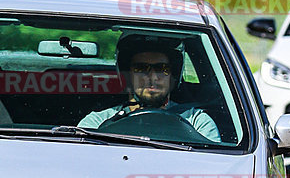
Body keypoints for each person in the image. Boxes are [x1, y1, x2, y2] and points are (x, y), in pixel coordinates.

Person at [78, 34, 221, 143]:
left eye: (162, 69)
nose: (152, 77)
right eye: (141, 68)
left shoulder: (198, 123)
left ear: (173, 76)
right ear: (128, 76)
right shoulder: (96, 124)